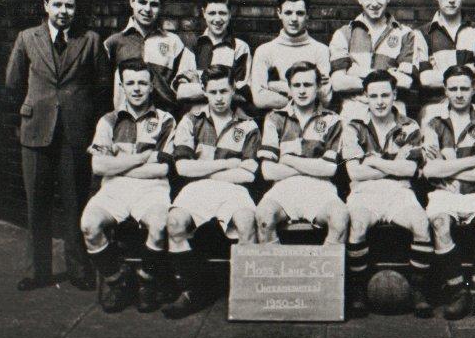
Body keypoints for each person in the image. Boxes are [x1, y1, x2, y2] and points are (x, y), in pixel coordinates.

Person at [5, 0, 111, 291]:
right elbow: (13, 82)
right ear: (46, 6)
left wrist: (86, 118)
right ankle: (37, 271)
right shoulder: (27, 38)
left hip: (75, 133)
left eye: (70, 5)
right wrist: (33, 108)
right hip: (36, 130)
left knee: (75, 200)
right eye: (58, 4)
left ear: (76, 8)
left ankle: (78, 269)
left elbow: (103, 86)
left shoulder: (90, 40)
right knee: (36, 202)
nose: (63, 11)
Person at [80, 58, 176, 313]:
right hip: (114, 188)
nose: (136, 89)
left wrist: (119, 162)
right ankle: (118, 279)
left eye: (142, 83)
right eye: (130, 83)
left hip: (152, 188)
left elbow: (163, 169)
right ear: (121, 86)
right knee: (89, 225)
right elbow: (99, 167)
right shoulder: (108, 121)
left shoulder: (166, 120)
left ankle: (146, 280)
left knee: (159, 224)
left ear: (151, 85)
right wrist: (142, 158)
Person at [165, 65, 261, 319]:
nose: (219, 97)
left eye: (224, 91)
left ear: (233, 91)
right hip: (196, 189)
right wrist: (228, 163)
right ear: (205, 92)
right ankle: (191, 290)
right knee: (175, 222)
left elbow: (249, 173)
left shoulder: (249, 125)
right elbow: (183, 167)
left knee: (247, 222)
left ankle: (247, 297)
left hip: (234, 189)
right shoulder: (191, 120)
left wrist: (204, 169)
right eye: (213, 91)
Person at [341, 70, 434, 318]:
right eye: (374, 96)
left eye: (385, 95)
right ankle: (359, 292)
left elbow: (410, 170)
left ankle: (418, 290)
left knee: (421, 223)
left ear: (394, 95)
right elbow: (354, 174)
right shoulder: (354, 127)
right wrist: (392, 165)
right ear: (365, 98)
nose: (380, 101)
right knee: (357, 225)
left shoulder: (409, 126)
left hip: (399, 191)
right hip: (364, 192)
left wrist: (372, 160)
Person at [422, 65, 475, 320]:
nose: (459, 94)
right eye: (454, 88)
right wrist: (474, 160)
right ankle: (457, 291)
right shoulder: (433, 124)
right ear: (445, 90)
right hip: (443, 194)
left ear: (473, 90)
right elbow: (430, 172)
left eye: (464, 89)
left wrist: (449, 167)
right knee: (439, 223)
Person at [256, 61, 349, 245]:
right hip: (284, 187)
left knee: (340, 217)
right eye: (296, 85)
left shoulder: (332, 120)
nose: (302, 90)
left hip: (320, 187)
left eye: (307, 85)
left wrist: (288, 159)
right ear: (289, 89)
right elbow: (268, 171)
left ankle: (326, 271)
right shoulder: (275, 118)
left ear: (318, 87)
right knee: (263, 217)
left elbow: (329, 169)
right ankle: (274, 272)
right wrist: (312, 165)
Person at [104, 0, 198, 115]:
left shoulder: (173, 42)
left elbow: (187, 88)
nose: (147, 9)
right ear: (132, 2)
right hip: (127, 122)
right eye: (142, 2)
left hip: (165, 123)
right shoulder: (113, 43)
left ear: (161, 7)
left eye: (154, 4)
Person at [414, 0, 475, 128]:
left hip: (471, 107)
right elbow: (425, 79)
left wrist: (439, 75)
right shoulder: (422, 34)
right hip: (434, 108)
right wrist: (467, 74)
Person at [330, 0, 416, 121]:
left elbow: (406, 82)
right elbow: (337, 83)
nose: (374, 3)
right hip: (354, 111)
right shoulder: (344, 34)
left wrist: (355, 72)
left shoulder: (405, 34)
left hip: (393, 111)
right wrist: (387, 75)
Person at [250, 0, 331, 111]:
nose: (294, 19)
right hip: (278, 123)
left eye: (299, 13)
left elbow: (325, 98)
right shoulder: (264, 51)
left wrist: (274, 86)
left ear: (307, 14)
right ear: (279, 13)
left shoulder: (320, 50)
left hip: (313, 121)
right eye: (288, 13)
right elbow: (259, 99)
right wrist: (306, 92)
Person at [189, 0, 254, 114]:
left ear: (230, 14)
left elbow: (241, 93)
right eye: (212, 13)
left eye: (222, 13)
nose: (217, 19)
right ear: (204, 13)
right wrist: (224, 87)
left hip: (230, 114)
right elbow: (183, 92)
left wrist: (200, 87)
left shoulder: (240, 48)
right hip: (198, 114)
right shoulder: (194, 46)